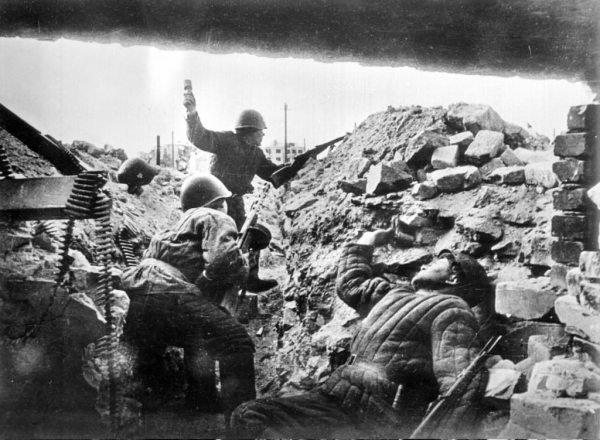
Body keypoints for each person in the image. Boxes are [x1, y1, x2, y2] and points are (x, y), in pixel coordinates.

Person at [231, 228, 497, 438]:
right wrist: (367, 241)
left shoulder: (452, 309)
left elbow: (459, 384)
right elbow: (351, 284)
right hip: (335, 397)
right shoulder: (395, 294)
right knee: (249, 415)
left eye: (437, 262)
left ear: (453, 277)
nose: (425, 264)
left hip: (375, 416)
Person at [121, 173, 255, 424]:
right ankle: (246, 424)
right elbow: (223, 258)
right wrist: (240, 264)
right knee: (237, 343)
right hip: (171, 293)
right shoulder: (214, 216)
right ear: (217, 202)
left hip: (138, 296)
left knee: (199, 336)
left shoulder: (169, 230)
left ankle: (201, 399)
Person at [184, 88, 281, 292]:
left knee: (251, 234)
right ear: (250, 131)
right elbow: (200, 137)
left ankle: (249, 278)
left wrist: (301, 165)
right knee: (218, 241)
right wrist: (191, 113)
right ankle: (209, 283)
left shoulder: (256, 153)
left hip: (236, 202)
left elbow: (273, 174)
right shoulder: (227, 141)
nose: (263, 134)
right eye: (260, 131)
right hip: (216, 203)